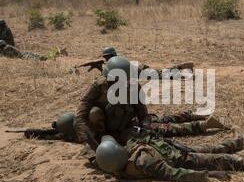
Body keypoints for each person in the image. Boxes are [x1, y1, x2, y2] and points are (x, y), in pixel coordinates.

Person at [74, 56, 230, 150]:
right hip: (106, 131)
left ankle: (198, 120)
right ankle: (201, 122)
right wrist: (92, 143)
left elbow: (143, 113)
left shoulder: (132, 85)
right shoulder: (98, 86)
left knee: (157, 128)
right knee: (94, 113)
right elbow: (80, 115)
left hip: (125, 124)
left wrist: (144, 126)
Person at [92, 135, 244, 182]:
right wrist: (209, 174)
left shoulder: (114, 165)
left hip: (176, 151)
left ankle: (240, 141)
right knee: (227, 159)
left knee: (215, 148)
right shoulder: (144, 162)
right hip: (185, 160)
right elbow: (175, 173)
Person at [74, 46, 194, 79]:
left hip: (136, 71)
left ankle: (184, 72)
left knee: (161, 75)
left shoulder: (112, 63)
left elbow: (109, 76)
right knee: (160, 73)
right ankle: (181, 67)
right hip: (137, 66)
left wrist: (79, 66)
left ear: (107, 56)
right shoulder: (116, 59)